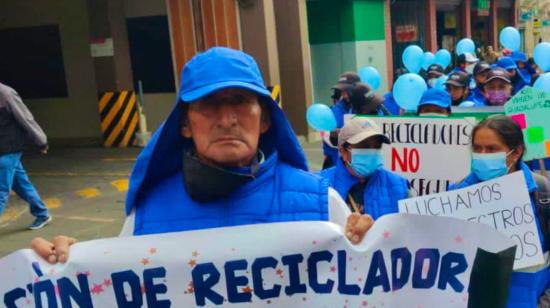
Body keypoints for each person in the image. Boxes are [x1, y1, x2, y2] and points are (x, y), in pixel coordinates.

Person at [31, 47, 374, 263]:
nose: (226, 119)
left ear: (265, 118)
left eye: (241, 101)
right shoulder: (146, 215)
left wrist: (369, 248)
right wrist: (67, 268)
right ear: (184, 124)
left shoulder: (321, 206)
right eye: (209, 105)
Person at [449, 115, 550, 308]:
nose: (482, 154)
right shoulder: (456, 194)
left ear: (516, 152)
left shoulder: (544, 195)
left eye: (492, 149)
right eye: (477, 148)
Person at [319, 117, 410, 220]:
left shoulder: (400, 187)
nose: (372, 151)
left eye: (377, 146)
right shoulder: (319, 186)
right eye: (364, 146)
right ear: (343, 151)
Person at [0, 82, 51, 230]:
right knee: (21, 184)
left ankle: (42, 213)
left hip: (8, 148)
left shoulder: (5, 94)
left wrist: (41, 141)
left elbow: (25, 118)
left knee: (1, 190)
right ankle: (42, 213)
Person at [322, 72, 360, 169]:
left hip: (363, 168)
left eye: (347, 90)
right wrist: (335, 135)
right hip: (338, 168)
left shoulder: (368, 108)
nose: (344, 94)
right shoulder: (333, 112)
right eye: (342, 90)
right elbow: (327, 140)